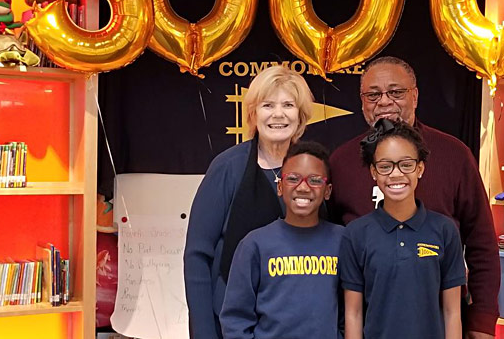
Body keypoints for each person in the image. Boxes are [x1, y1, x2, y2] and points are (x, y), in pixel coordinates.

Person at [329, 56, 500, 339]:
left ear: (415, 96)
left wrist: (481, 321)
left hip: (437, 323)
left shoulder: (454, 156)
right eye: (373, 94)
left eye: (396, 92)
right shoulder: (341, 161)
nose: (384, 102)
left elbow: (482, 244)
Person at [184, 65, 315, 339]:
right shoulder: (227, 168)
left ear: (300, 116)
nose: (278, 114)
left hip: (298, 322)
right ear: (254, 114)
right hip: (232, 325)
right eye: (268, 105)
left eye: (288, 105)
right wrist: (204, 332)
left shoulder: (313, 168)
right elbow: (197, 256)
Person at [342, 119, 465, 339]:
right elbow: (353, 312)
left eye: (406, 164)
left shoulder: (444, 230)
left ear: (420, 168)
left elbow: (452, 311)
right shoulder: (356, 234)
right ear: (373, 172)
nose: (396, 174)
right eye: (385, 166)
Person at [220, 141, 344, 339]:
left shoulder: (342, 241)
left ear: (327, 191)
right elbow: (235, 319)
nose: (303, 188)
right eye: (293, 178)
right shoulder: (254, 245)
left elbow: (350, 311)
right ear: (280, 186)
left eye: (315, 180)